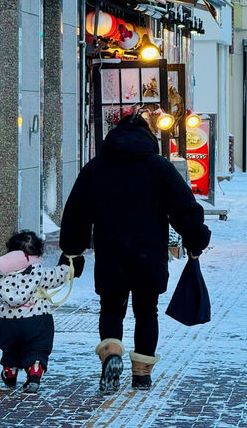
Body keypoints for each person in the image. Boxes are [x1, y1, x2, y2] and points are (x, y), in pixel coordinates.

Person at [59, 112, 211, 393]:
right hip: (148, 255)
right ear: (148, 138)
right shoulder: (159, 167)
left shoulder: (96, 168)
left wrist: (72, 251)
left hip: (111, 254)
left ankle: (112, 353)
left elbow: (77, 215)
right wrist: (195, 238)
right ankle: (141, 374)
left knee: (111, 309)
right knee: (146, 312)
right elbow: (183, 207)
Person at [0, 230, 84, 393]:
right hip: (37, 321)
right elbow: (59, 275)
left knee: (10, 348)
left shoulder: (1, 279)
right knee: (37, 348)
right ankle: (34, 371)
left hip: (7, 325)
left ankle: (10, 371)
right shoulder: (39, 273)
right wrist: (67, 264)